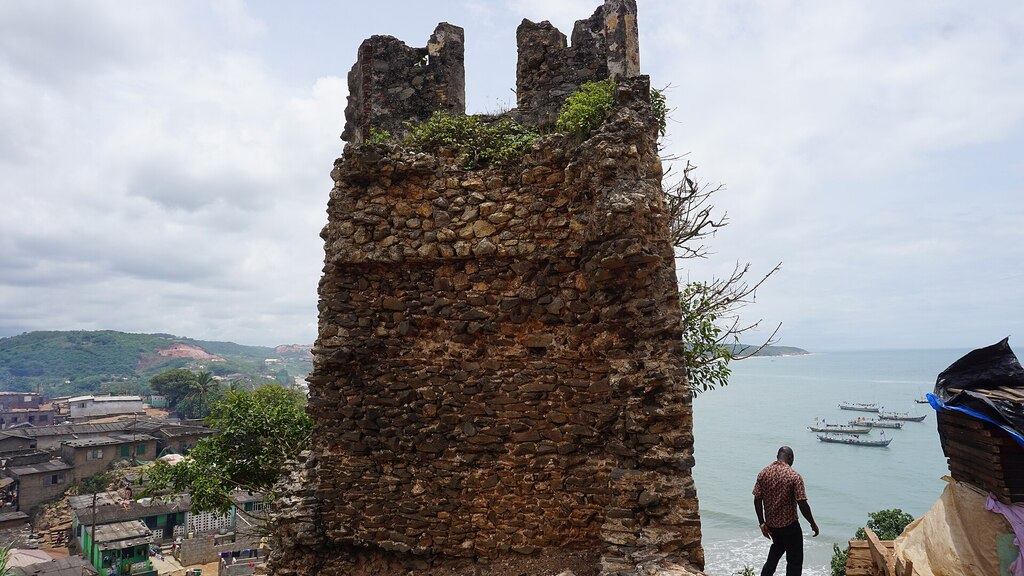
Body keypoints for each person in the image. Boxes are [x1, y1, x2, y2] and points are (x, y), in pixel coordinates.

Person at [753, 446, 819, 576]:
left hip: (772, 526)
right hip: (790, 527)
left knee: (777, 549)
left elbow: (757, 499)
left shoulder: (763, 473)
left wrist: (762, 523)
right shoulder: (794, 476)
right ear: (790, 457)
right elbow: (802, 503)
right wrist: (812, 523)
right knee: (794, 561)